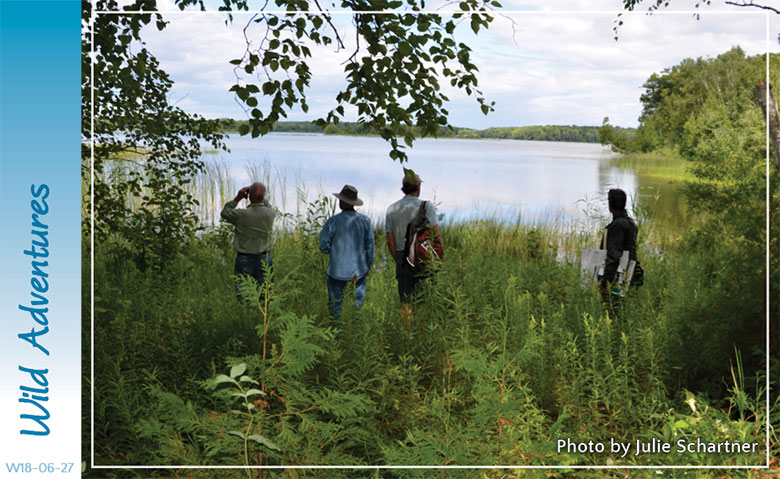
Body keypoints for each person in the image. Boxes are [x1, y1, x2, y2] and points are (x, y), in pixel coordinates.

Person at [384, 170, 442, 329]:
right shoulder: (427, 206)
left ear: (403, 187)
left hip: (402, 256)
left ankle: (407, 335)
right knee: (423, 299)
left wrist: (399, 260)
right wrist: (437, 259)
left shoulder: (392, 209)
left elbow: (390, 241)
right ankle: (421, 334)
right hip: (424, 257)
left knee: (406, 300)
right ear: (418, 187)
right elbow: (436, 235)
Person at [319, 185, 374, 326]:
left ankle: (335, 336)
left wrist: (335, 252)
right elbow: (370, 247)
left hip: (336, 270)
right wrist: (368, 265)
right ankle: (356, 330)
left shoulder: (332, 222)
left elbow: (323, 246)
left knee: (335, 306)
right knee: (357, 305)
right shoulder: (365, 221)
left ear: (343, 202)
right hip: (359, 270)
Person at [220, 182, 276, 300]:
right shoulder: (270, 214)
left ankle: (246, 314)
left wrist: (238, 198)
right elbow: (265, 203)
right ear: (263, 196)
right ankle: (264, 316)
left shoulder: (241, 215)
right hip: (265, 257)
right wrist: (259, 195)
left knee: (244, 293)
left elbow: (225, 213)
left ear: (249, 196)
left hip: (244, 258)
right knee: (265, 294)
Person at [600, 188, 638, 298]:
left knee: (611, 310)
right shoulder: (631, 223)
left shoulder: (617, 225)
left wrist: (605, 283)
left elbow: (613, 257)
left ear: (610, 204)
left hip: (616, 279)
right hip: (628, 275)